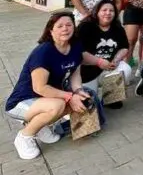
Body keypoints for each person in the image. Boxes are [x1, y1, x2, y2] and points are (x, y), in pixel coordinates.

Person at [5, 12, 90, 160]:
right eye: (60, 26)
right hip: (22, 102)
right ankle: (24, 136)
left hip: (45, 99)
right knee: (58, 105)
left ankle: (40, 126)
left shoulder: (75, 46)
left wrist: (78, 91)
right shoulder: (43, 52)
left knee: (82, 99)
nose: (65, 29)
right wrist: (70, 96)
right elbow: (40, 88)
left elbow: (75, 73)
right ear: (51, 30)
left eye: (69, 25)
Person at [77, 0, 131, 108]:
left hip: (108, 67)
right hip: (87, 69)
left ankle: (111, 98)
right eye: (104, 10)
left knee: (125, 69)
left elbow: (124, 47)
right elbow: (79, 52)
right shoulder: (85, 27)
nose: (108, 13)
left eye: (111, 10)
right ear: (97, 12)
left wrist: (116, 60)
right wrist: (99, 62)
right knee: (89, 104)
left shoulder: (117, 27)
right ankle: (97, 94)